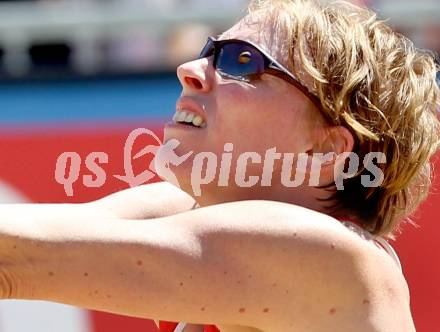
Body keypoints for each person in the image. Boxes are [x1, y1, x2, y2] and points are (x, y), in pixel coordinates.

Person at [1, 0, 439, 331]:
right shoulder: (195, 211)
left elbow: (21, 257)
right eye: (210, 51)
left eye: (241, 60)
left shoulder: (335, 255)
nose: (188, 69)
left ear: (324, 150)